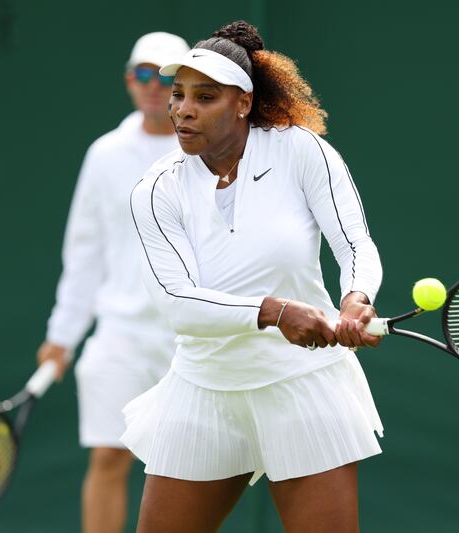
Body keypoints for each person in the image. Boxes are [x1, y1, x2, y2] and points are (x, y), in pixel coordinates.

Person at [121, 20, 384, 533]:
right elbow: (178, 303)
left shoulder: (301, 150)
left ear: (242, 103)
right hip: (205, 391)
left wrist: (355, 298)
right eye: (178, 95)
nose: (183, 109)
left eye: (205, 96)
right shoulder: (156, 191)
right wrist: (275, 311)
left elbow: (355, 243)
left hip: (302, 387)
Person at [36, 31, 189, 533]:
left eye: (167, 77)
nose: (153, 86)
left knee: (186, 472)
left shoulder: (209, 152)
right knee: (108, 456)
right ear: (129, 80)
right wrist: (63, 335)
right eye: (144, 74)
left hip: (190, 337)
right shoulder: (104, 155)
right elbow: (84, 251)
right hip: (120, 334)